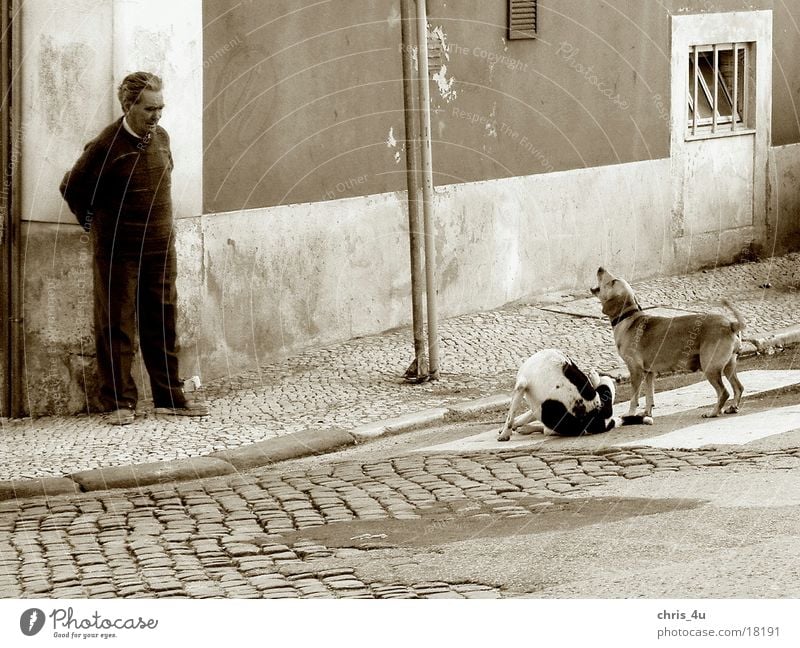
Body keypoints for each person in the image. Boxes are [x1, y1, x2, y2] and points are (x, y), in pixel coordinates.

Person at [60, 71, 208, 425]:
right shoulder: (105, 146)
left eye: (160, 108)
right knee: (117, 324)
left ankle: (169, 397)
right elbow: (71, 187)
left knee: (162, 318)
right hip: (118, 251)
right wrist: (98, 227)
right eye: (148, 109)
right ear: (128, 106)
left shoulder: (162, 138)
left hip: (159, 248)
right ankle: (119, 403)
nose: (156, 116)